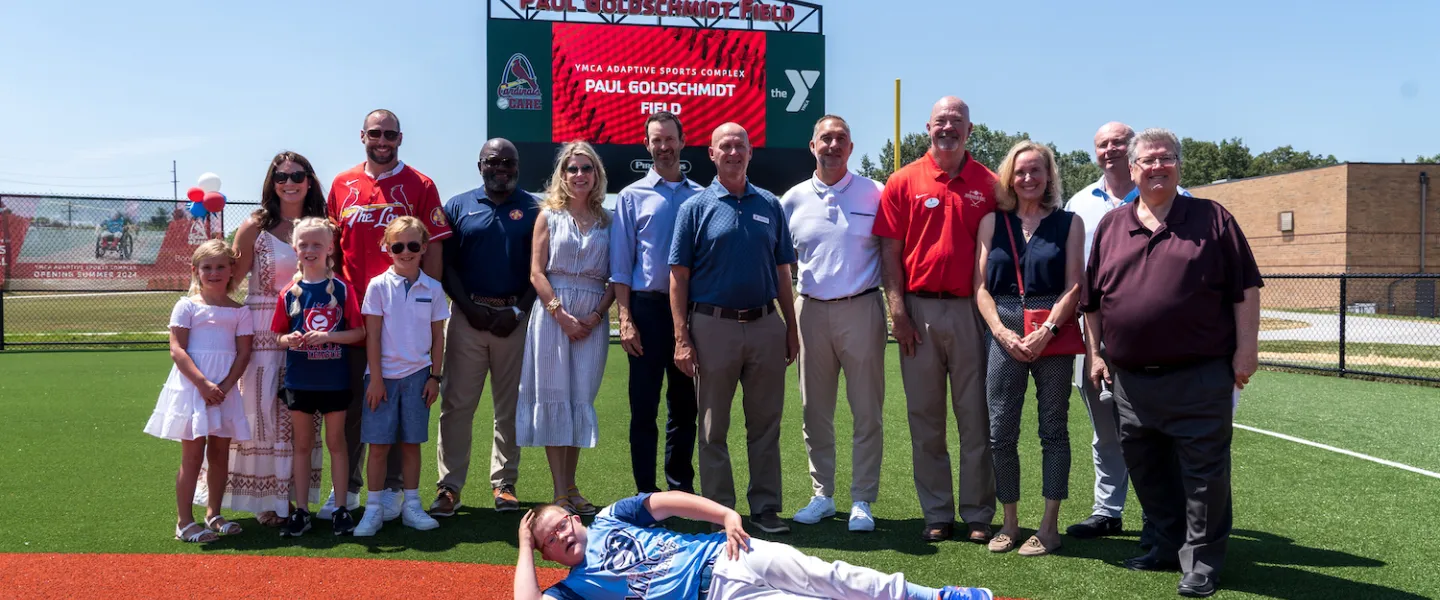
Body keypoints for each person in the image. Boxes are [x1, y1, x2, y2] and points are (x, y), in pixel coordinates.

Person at [1082, 128, 1262, 598]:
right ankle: (1165, 546)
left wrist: (1247, 350)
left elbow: (1245, 289)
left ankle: (1201, 563)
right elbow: (1093, 301)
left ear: (1180, 165)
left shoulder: (1212, 218)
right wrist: (1095, 354)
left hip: (1199, 374)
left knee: (1204, 476)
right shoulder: (1111, 226)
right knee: (1148, 470)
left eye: (1167, 158)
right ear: (1132, 168)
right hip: (1131, 380)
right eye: (1148, 160)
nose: (1157, 167)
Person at [872, 96, 997, 543]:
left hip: (971, 311)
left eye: (956, 120)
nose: (948, 127)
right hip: (918, 310)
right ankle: (937, 512)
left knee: (975, 417)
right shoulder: (903, 179)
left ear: (969, 129)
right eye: (940, 120)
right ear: (927, 127)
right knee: (925, 419)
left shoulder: (990, 183)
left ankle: (979, 512)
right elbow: (889, 250)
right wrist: (898, 311)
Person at [669, 122, 798, 535]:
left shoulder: (770, 204)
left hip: (764, 324)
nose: (733, 152)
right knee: (712, 428)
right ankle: (721, 512)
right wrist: (682, 337)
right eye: (724, 146)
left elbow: (783, 271)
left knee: (765, 424)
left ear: (750, 152)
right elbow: (678, 277)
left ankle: (766, 508)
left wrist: (790, 327)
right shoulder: (695, 207)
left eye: (740, 145)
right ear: (711, 153)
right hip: (713, 326)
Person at [1063, 122, 1190, 542]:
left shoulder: (1179, 198)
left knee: (1161, 433)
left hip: (1162, 343)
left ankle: (1164, 514)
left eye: (1119, 142)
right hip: (1094, 334)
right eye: (1103, 144)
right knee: (1106, 430)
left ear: (1133, 151)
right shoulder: (1079, 203)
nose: (1111, 149)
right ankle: (1108, 510)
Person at [513, 491, 995, 600]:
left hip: (727, 551)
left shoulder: (610, 517)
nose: (560, 537)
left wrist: (726, 515)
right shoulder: (573, 589)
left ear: (573, 518)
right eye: (548, 542)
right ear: (546, 556)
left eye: (559, 526)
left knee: (829, 575)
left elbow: (668, 501)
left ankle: (935, 596)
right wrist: (522, 544)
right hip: (716, 596)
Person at [327, 109, 452, 522]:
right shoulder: (342, 184)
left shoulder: (420, 184)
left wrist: (424, 304)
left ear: (400, 138)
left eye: (390, 134)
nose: (383, 140)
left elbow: (433, 246)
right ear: (363, 135)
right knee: (354, 406)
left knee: (402, 407)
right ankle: (347, 489)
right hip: (353, 316)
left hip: (402, 318)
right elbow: (333, 248)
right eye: (375, 133)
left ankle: (397, 492)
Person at [195, 151, 328, 529]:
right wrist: (204, 319)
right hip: (262, 332)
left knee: (301, 417)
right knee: (262, 415)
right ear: (272, 182)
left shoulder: (321, 226)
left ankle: (295, 498)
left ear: (309, 180)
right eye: (281, 176)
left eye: (297, 175)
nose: (289, 183)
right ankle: (264, 501)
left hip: (307, 332)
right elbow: (230, 282)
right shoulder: (255, 226)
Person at [973, 142, 1085, 556]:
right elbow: (980, 287)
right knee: (1001, 431)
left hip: (1051, 329)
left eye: (1036, 170)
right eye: (1020, 171)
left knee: (1053, 428)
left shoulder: (1069, 223)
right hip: (1004, 327)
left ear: (1049, 175)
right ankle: (1010, 522)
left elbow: (1074, 284)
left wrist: (1049, 329)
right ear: (1009, 177)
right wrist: (1001, 332)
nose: (1028, 178)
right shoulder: (992, 222)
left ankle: (1049, 527)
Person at [778, 114, 886, 532]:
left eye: (841, 138)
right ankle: (822, 495)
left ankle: (862, 499)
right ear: (813, 146)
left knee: (867, 410)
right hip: (811, 311)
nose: (833, 145)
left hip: (862, 307)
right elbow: (782, 263)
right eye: (825, 138)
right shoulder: (791, 200)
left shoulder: (875, 192)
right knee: (814, 410)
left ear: (851, 147)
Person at [433, 138, 540, 516]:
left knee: (509, 407)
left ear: (517, 166)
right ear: (480, 165)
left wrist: (518, 311)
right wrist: (468, 307)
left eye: (508, 162)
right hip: (468, 317)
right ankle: (449, 487)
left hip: (515, 319)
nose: (501, 169)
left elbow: (541, 269)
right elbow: (446, 266)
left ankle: (504, 483)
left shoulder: (535, 208)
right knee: (456, 406)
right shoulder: (458, 206)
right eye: (493, 162)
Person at [517, 142, 615, 516]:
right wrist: (561, 315)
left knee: (578, 400)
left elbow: (616, 276)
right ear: (562, 174)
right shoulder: (548, 216)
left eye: (586, 168)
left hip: (592, 321)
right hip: (552, 317)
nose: (579, 175)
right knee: (555, 398)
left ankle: (572, 486)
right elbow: (536, 272)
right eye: (572, 168)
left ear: (596, 174)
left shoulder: (608, 221)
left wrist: (597, 315)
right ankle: (559, 491)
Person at [611, 111, 703, 496]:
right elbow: (621, 264)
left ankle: (679, 490)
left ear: (682, 142)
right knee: (644, 408)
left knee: (684, 409)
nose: (664, 147)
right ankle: (646, 494)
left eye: (669, 139)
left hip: (690, 314)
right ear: (646, 145)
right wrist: (625, 318)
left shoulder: (701, 197)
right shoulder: (631, 197)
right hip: (646, 312)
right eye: (657, 140)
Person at [143, 239, 253, 543]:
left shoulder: (240, 311)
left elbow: (244, 353)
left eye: (220, 267)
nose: (214, 273)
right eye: (207, 267)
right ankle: (184, 522)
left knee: (220, 455)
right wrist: (203, 385)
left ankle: (213, 514)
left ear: (231, 270)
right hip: (193, 390)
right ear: (196, 270)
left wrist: (225, 388)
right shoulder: (187, 306)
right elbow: (177, 350)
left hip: (224, 392)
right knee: (192, 457)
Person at [353, 217, 450, 537]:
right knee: (379, 446)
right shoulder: (378, 286)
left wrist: (435, 376)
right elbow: (372, 336)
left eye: (412, 245)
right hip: (381, 379)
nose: (405, 252)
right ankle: (373, 509)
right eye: (397, 246)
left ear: (424, 247)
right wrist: (376, 379)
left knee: (411, 444)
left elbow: (438, 337)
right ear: (387, 248)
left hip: (418, 377)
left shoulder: (433, 288)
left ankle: (412, 506)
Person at [271, 217, 366, 537]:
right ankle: (301, 511)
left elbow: (358, 333)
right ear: (295, 248)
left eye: (316, 244)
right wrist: (291, 340)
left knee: (336, 443)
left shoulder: (342, 289)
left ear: (329, 248)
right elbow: (278, 336)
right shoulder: (289, 292)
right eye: (303, 244)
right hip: (300, 381)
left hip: (334, 381)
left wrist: (328, 337)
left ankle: (340, 508)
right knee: (302, 446)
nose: (309, 250)